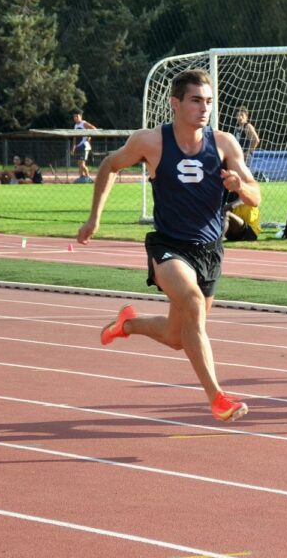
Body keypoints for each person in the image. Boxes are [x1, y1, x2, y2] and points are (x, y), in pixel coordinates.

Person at [77, 69, 260, 423]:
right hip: (168, 246)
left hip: (209, 251)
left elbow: (255, 197)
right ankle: (217, 397)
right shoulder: (152, 142)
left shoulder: (224, 144)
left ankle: (127, 323)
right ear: (176, 104)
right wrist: (94, 218)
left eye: (208, 102)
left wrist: (240, 186)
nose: (203, 108)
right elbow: (109, 165)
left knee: (179, 336)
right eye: (195, 101)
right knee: (192, 304)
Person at [72, 110, 97, 184]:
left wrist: (89, 137)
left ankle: (88, 178)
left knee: (82, 164)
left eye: (77, 116)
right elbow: (75, 138)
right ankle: (81, 178)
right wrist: (73, 147)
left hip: (84, 146)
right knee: (79, 164)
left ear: (81, 116)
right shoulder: (75, 126)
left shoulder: (84, 123)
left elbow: (94, 129)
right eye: (74, 116)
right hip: (78, 147)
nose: (75, 118)